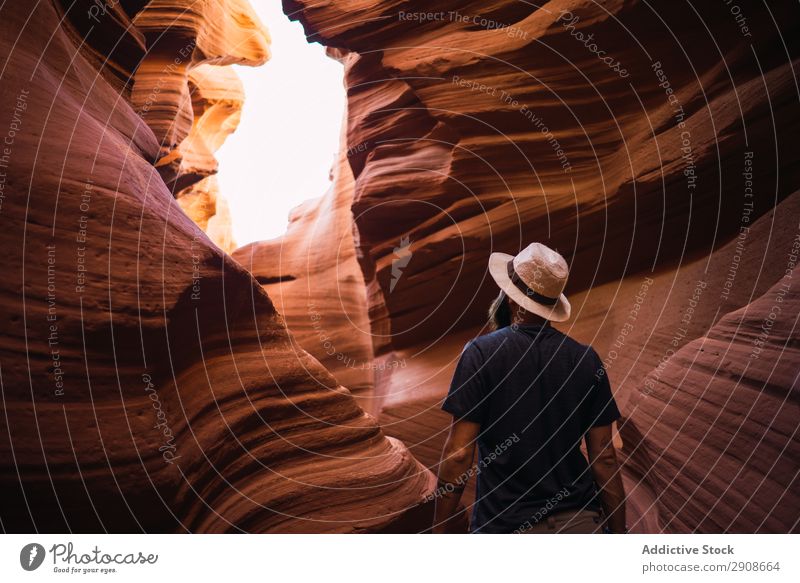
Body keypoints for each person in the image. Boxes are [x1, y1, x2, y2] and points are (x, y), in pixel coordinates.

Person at [432, 243, 627, 534]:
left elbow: (459, 455)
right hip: (580, 524)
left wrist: (439, 532)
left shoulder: (481, 354)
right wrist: (619, 533)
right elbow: (605, 457)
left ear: (511, 299)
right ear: (551, 304)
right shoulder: (585, 359)